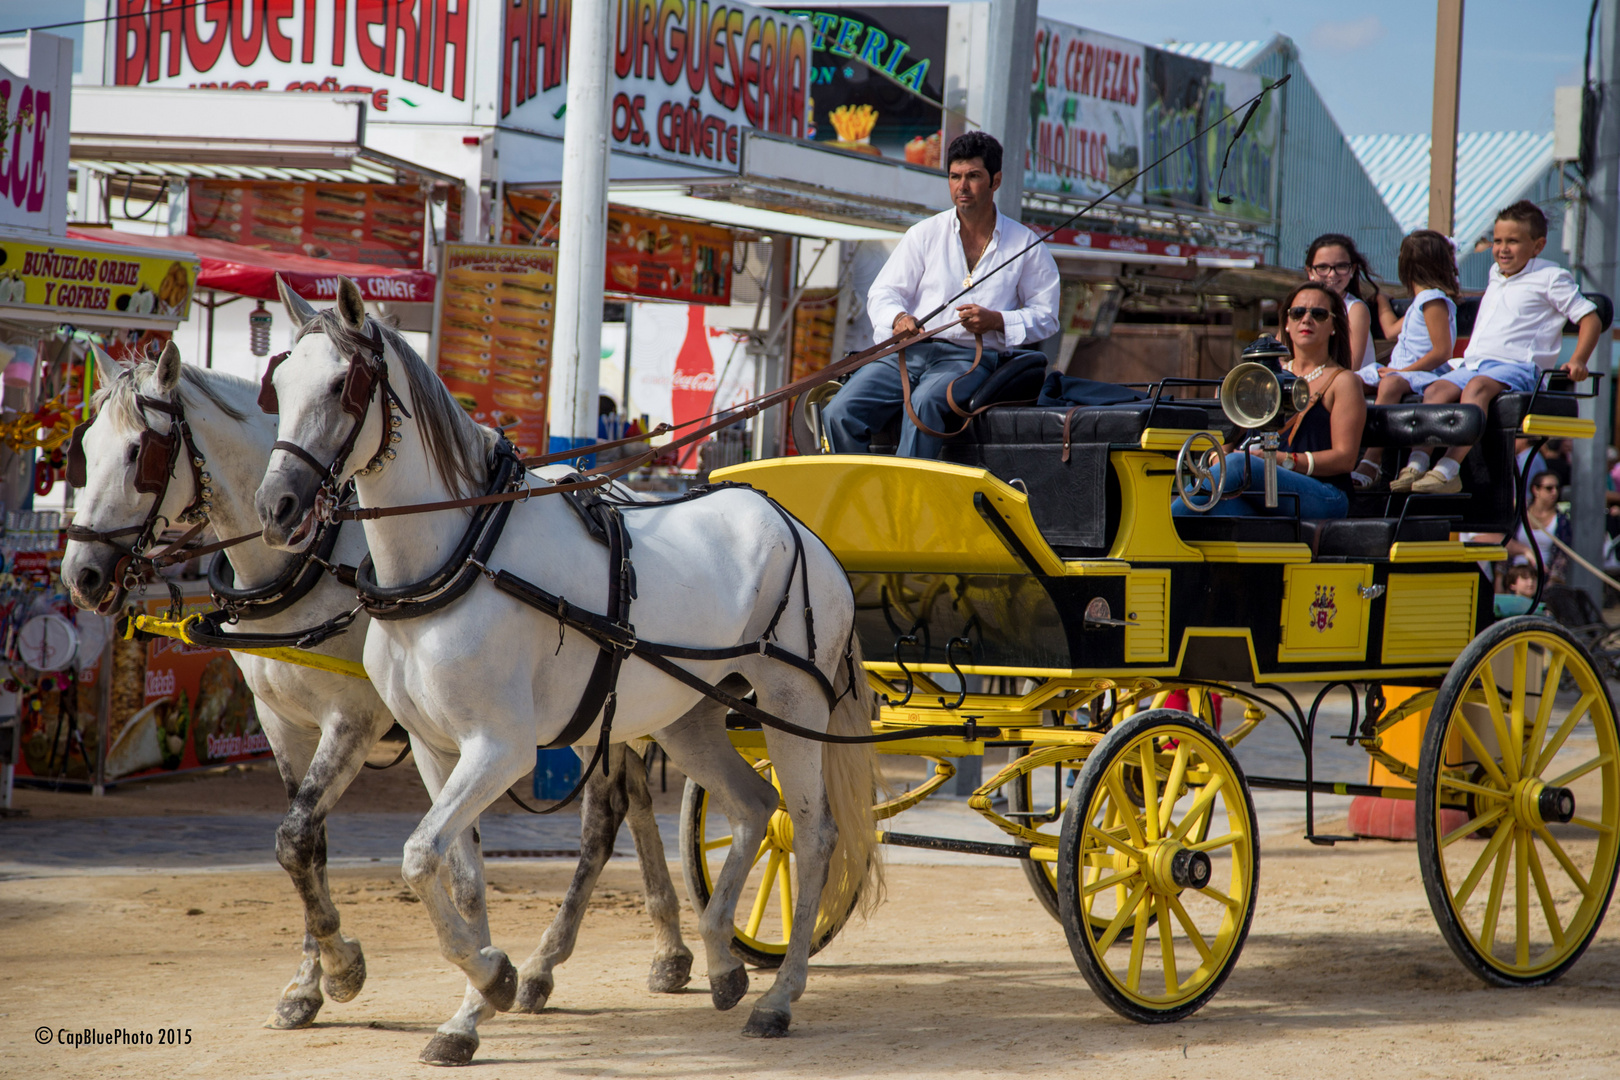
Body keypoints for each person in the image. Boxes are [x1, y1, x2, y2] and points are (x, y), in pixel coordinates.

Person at [822, 132, 1060, 458]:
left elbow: (1046, 315)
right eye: (955, 176)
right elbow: (884, 292)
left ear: (996, 181)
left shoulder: (1025, 245)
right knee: (838, 411)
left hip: (969, 359)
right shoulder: (924, 234)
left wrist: (997, 320)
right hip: (908, 354)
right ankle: (859, 498)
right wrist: (899, 318)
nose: (962, 186)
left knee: (923, 405)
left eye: (973, 176)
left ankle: (907, 502)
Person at [1392, 200, 1602, 494]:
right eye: (1498, 240)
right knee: (1435, 390)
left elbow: (1590, 317)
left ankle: (1448, 469)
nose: (1503, 248)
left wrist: (1579, 359)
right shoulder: (1496, 274)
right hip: (1476, 362)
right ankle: (1417, 463)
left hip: (1517, 366)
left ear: (1538, 245)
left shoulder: (1551, 277)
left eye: (1513, 241)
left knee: (1477, 387)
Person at [1173, 282, 1366, 518]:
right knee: (1217, 509)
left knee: (1237, 465)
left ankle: (1157, 529)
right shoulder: (1260, 377)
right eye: (1297, 313)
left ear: (1334, 325)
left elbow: (1345, 459)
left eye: (1318, 314)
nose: (1306, 319)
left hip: (1325, 494)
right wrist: (1218, 456)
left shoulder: (1343, 380)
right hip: (1260, 489)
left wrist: (1277, 460)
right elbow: (1225, 443)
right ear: (1286, 322)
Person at [1352, 230, 1459, 488]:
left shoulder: (1433, 300)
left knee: (1390, 384)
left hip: (1425, 373)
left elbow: (1442, 351)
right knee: (1348, 382)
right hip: (1404, 371)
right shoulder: (1419, 302)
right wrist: (1382, 301)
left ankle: (1372, 458)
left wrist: (1401, 371)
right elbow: (1390, 330)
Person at [1305, 233, 1395, 382]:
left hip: (1344, 389)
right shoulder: (1299, 307)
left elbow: (1350, 366)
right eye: (1322, 267)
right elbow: (1279, 353)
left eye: (1341, 266)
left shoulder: (1355, 309)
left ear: (1352, 269)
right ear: (1310, 272)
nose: (1332, 274)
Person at [1507, 472, 1572, 582]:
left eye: (1557, 488)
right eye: (1549, 488)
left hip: (1542, 579)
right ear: (1535, 490)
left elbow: (1562, 558)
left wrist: (1551, 586)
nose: (1554, 492)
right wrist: (1499, 579)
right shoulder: (1519, 512)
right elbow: (1506, 542)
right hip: (1514, 578)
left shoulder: (1562, 521)